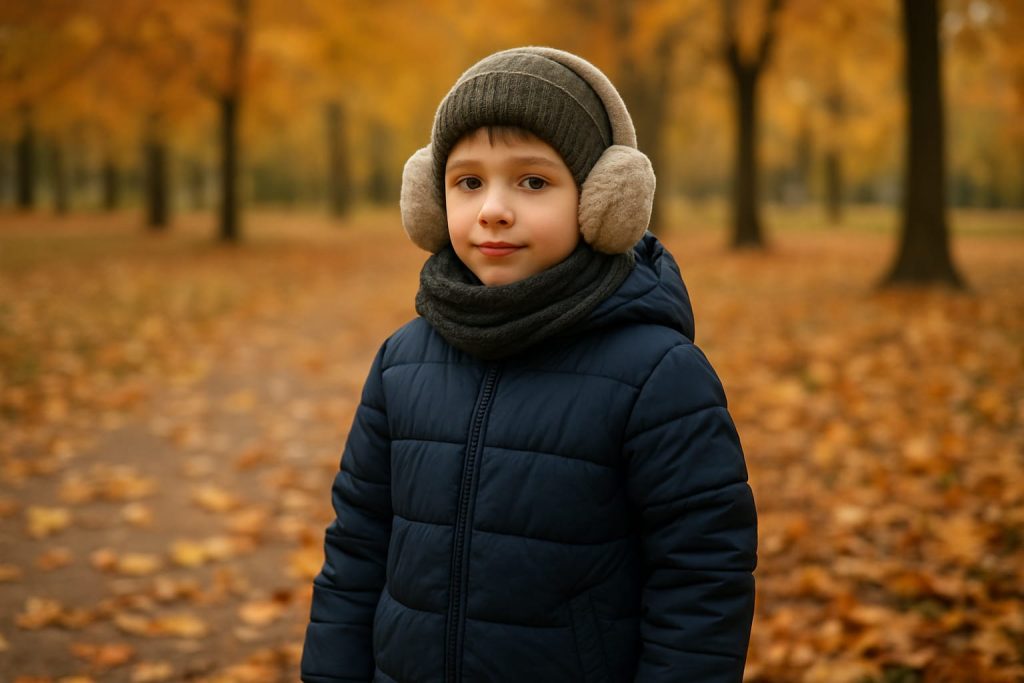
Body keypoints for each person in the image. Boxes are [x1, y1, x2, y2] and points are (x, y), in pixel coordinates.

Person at [301, 47, 757, 683]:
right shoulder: (401, 362)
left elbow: (702, 576)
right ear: (431, 200)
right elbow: (356, 550)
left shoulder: (658, 374)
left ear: (603, 202)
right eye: (468, 182)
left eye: (533, 182)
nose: (492, 208)